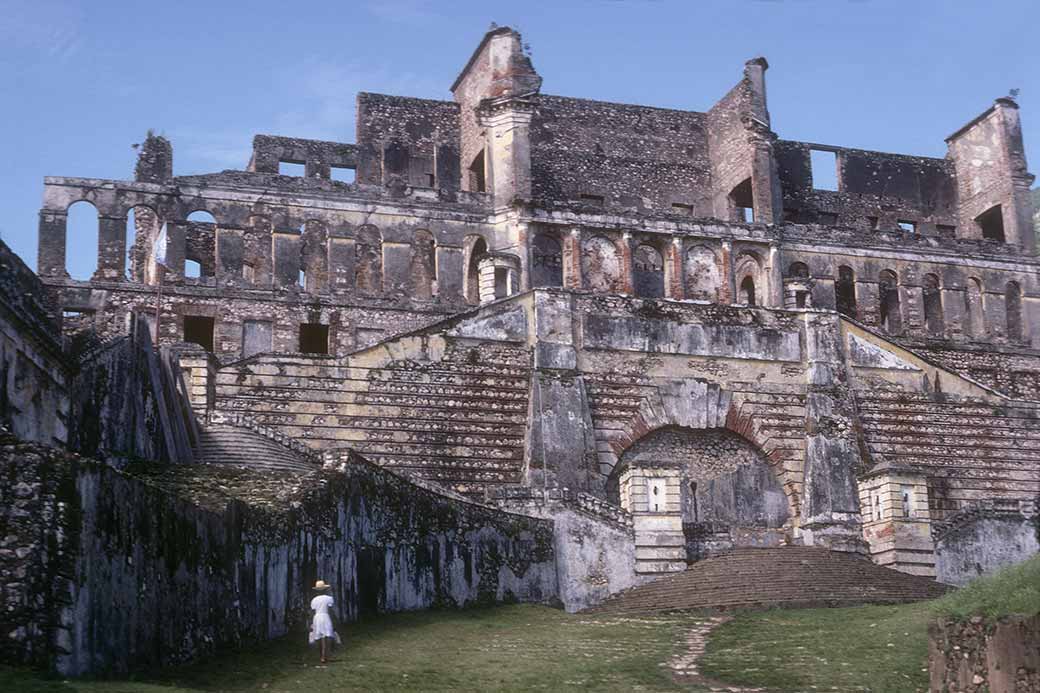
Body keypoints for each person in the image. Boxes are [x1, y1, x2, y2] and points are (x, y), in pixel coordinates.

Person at [309, 580, 341, 664]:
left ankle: (322, 656)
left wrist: (311, 622)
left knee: (319, 637)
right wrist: (335, 619)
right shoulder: (328, 598)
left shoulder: (314, 600)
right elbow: (330, 610)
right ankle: (326, 655)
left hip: (317, 617)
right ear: (325, 589)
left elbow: (312, 612)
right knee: (327, 636)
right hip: (325, 616)